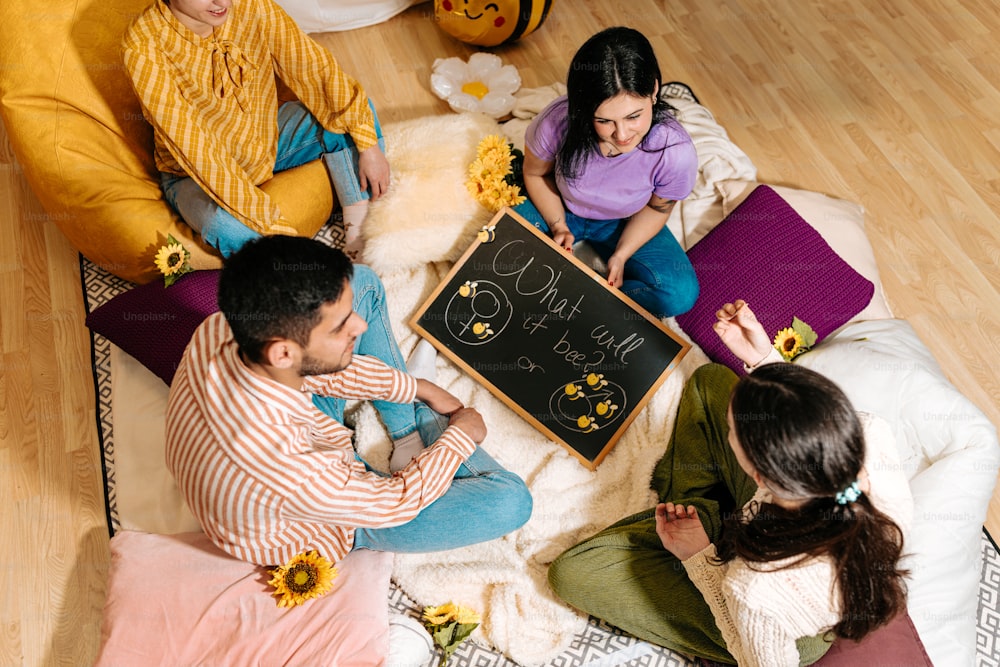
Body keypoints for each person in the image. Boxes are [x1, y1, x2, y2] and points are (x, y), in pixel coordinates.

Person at [546, 300, 913, 666]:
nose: (729, 426)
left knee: (573, 573)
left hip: (778, 634)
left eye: (732, 429)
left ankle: (697, 524)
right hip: (777, 525)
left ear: (758, 475)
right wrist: (764, 360)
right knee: (711, 381)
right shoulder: (868, 431)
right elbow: (806, 419)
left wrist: (700, 557)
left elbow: (758, 659)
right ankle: (702, 513)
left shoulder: (756, 588)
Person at [165, 235, 532, 568]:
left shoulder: (219, 329)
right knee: (512, 501)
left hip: (298, 436)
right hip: (324, 522)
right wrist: (460, 435)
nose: (359, 325)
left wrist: (414, 387)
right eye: (341, 327)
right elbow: (395, 502)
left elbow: (313, 368)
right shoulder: (292, 469)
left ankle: (406, 433)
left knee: (363, 282)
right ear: (282, 353)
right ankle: (420, 427)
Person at [122, 0, 389, 259]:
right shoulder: (143, 45)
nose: (222, 2)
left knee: (352, 110)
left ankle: (358, 242)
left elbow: (315, 70)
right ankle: (297, 273)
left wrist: (368, 145)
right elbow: (199, 153)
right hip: (194, 175)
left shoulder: (252, 4)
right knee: (221, 224)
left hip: (267, 140)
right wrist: (274, 229)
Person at [513, 26, 699, 318]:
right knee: (502, 244)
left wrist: (622, 254)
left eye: (634, 116)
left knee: (678, 293)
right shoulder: (556, 122)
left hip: (626, 221)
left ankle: (587, 305)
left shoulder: (674, 151)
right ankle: (578, 298)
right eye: (604, 121)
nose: (622, 134)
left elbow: (658, 208)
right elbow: (536, 174)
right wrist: (558, 224)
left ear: (653, 90)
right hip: (560, 205)